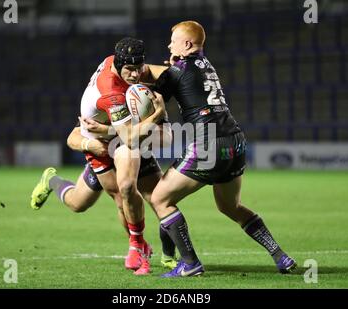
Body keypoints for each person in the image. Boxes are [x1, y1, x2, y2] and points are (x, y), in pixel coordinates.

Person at [147, 21, 297, 277]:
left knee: (160, 199)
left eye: (173, 39)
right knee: (230, 206)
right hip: (235, 141)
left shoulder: (178, 70)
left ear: (186, 44)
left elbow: (147, 94)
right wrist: (171, 66)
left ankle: (190, 263)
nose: (168, 44)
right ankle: (280, 256)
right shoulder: (206, 66)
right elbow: (179, 76)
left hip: (208, 144)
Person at [30, 37, 177, 275]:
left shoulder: (119, 61)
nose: (134, 75)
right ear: (118, 66)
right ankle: (53, 181)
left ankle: (150, 250)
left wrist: (178, 71)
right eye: (128, 70)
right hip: (101, 144)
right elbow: (128, 136)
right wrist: (157, 113)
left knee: (151, 194)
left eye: (137, 68)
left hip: (121, 135)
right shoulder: (112, 94)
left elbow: (151, 71)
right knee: (83, 203)